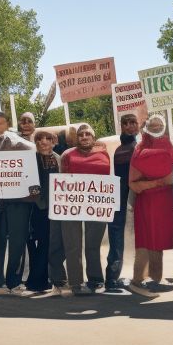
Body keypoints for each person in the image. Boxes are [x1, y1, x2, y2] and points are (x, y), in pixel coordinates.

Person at [58, 124, 111, 295]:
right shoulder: (68, 154)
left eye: (88, 134)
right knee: (73, 245)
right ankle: (75, 282)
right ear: (76, 138)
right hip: (71, 204)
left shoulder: (103, 154)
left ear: (93, 138)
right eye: (81, 134)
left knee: (93, 244)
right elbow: (61, 179)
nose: (84, 136)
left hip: (97, 205)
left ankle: (95, 280)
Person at [128, 115, 173, 298]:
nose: (156, 128)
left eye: (159, 125)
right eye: (152, 125)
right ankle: (137, 280)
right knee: (145, 240)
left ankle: (156, 279)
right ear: (147, 127)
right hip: (147, 200)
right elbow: (132, 183)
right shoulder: (139, 148)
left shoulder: (169, 146)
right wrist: (158, 182)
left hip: (166, 201)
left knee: (160, 240)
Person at [0, 111, 34, 296]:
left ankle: (13, 282)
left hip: (18, 200)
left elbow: (32, 154)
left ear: (7, 124)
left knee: (17, 242)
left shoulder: (20, 142)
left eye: (1, 123)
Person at [106, 113, 138, 291]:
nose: (129, 126)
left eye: (133, 122)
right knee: (116, 237)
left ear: (138, 125)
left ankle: (138, 276)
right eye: (125, 123)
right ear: (122, 126)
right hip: (121, 197)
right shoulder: (121, 150)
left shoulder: (138, 146)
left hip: (136, 196)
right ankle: (111, 278)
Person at [26, 130, 59, 293]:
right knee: (33, 244)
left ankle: (41, 280)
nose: (43, 141)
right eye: (39, 139)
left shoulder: (60, 159)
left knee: (47, 244)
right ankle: (36, 280)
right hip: (34, 208)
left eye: (48, 138)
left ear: (54, 142)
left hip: (55, 209)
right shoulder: (30, 159)